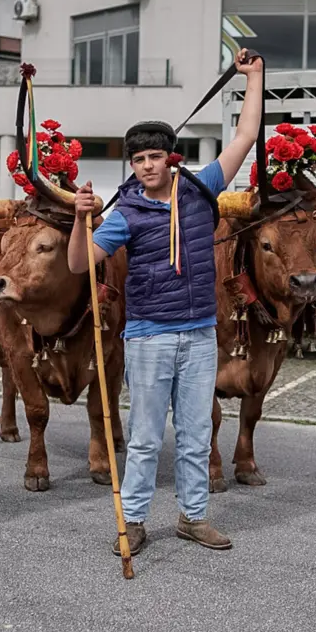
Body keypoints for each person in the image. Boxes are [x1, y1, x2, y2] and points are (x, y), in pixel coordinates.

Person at [69, 48, 264, 557]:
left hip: (199, 334)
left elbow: (245, 136)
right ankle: (133, 521)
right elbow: (79, 263)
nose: (147, 166)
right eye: (138, 160)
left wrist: (254, 77)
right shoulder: (125, 213)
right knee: (145, 438)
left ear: (170, 158)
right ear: (132, 165)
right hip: (149, 336)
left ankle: (193, 518)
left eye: (154, 157)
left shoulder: (201, 188)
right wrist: (79, 219)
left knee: (196, 435)